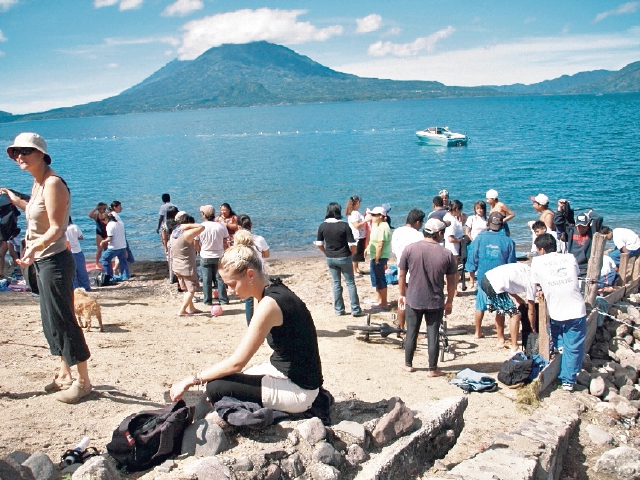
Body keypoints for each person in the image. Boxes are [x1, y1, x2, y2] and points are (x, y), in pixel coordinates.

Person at [169, 243, 323, 420]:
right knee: (225, 380)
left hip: (299, 391)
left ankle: (195, 424)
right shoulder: (270, 291)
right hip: (287, 372)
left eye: (232, 284)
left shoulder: (269, 304)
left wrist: (191, 379)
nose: (230, 291)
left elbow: (237, 362)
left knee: (215, 387)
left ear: (250, 274)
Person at [1, 132, 92, 403]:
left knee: (63, 319)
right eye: (16, 152)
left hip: (54, 260)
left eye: (26, 151)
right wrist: (16, 202)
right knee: (50, 320)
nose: (20, 156)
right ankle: (64, 374)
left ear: (42, 154)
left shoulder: (52, 183)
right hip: (40, 261)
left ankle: (83, 381)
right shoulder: (38, 183)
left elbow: (56, 228)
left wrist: (33, 247)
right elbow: (38, 212)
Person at [398, 218, 456, 375]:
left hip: (414, 298)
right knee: (433, 334)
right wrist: (449, 301)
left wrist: (402, 294)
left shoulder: (409, 249)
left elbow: (402, 275)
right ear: (438, 234)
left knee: (412, 332)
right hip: (435, 300)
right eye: (443, 232)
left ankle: (408, 364)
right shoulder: (447, 254)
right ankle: (432, 368)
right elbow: (451, 283)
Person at [531, 233, 586, 391]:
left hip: (556, 311)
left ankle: (559, 346)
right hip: (576, 309)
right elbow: (575, 274)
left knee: (556, 328)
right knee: (574, 347)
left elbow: (536, 283)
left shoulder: (537, 261)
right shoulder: (569, 257)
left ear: (541, 250)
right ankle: (568, 380)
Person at [465, 212, 517, 343]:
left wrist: (471, 269)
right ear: (502, 224)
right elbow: (511, 263)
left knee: (479, 306)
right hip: (499, 279)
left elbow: (473, 255)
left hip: (483, 277)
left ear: (488, 223)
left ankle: (477, 332)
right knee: (499, 308)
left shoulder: (479, 238)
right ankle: (500, 337)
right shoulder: (508, 241)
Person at [315, 203, 365, 317]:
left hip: (330, 257)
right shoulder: (343, 225)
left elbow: (319, 244)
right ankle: (355, 309)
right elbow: (352, 243)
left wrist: (325, 252)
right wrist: (352, 252)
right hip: (344, 256)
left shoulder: (323, 226)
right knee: (350, 283)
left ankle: (339, 309)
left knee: (336, 283)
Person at [481, 263, 537, 354]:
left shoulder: (526, 268)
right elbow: (531, 310)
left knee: (500, 311)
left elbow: (508, 283)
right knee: (516, 315)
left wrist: (517, 298)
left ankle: (500, 340)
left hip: (486, 278)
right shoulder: (532, 283)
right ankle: (514, 348)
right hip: (494, 284)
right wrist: (532, 328)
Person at [391, 209, 425, 329]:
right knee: (415, 303)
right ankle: (413, 330)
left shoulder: (397, 232)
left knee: (402, 300)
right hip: (415, 273)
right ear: (417, 222)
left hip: (401, 270)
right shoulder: (419, 235)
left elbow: (394, 251)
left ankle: (400, 327)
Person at [237, 214, 271, 323]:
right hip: (260, 271)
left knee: (248, 300)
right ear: (251, 224)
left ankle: (250, 323)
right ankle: (263, 322)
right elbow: (266, 254)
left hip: (244, 271)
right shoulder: (259, 239)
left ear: (238, 226)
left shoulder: (237, 241)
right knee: (262, 297)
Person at [170, 212, 205, 317]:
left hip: (176, 265)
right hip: (186, 266)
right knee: (191, 290)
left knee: (185, 288)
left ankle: (191, 308)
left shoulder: (174, 233)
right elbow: (201, 227)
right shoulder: (186, 234)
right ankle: (182, 310)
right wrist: (187, 226)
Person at [195, 205, 228, 306]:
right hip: (219, 255)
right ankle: (223, 300)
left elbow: (195, 243)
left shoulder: (200, 227)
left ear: (204, 215)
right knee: (220, 279)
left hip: (205, 255)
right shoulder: (221, 226)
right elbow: (225, 242)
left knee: (206, 280)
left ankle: (207, 301)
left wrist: (200, 251)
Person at [554, 210, 602, 275]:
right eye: (579, 226)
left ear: (588, 225)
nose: (581, 229)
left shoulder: (591, 231)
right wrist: (559, 210)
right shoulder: (571, 230)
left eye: (584, 227)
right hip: (572, 264)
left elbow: (599, 218)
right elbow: (558, 222)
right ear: (576, 225)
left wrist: (591, 213)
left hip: (585, 267)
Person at [368, 206, 391, 311]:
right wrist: (367, 249)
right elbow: (374, 240)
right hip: (375, 256)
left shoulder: (383, 226)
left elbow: (380, 244)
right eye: (372, 214)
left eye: (374, 215)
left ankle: (384, 303)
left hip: (380, 257)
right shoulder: (377, 225)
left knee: (380, 279)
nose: (372, 216)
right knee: (376, 279)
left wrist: (377, 259)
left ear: (381, 216)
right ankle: (378, 300)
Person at [99, 213, 129, 283]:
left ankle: (109, 276)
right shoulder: (120, 223)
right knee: (123, 261)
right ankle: (125, 276)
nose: (103, 222)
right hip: (122, 246)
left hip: (114, 247)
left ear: (106, 219)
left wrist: (103, 241)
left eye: (103, 221)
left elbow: (110, 238)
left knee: (105, 259)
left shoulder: (109, 226)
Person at [65, 217, 91, 291]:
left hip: (69, 251)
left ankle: (75, 288)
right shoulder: (75, 227)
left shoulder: (63, 230)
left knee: (73, 272)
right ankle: (86, 287)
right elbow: (81, 237)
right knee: (82, 270)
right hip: (78, 250)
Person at [443, 200, 464, 290]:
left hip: (449, 247)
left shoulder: (448, 216)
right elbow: (450, 238)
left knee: (452, 271)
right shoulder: (451, 220)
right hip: (453, 249)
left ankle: (452, 288)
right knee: (455, 271)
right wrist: (461, 240)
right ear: (456, 209)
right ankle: (453, 289)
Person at [346, 195, 367, 275]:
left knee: (358, 254)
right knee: (356, 254)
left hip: (358, 236)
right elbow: (357, 225)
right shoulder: (354, 213)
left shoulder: (353, 212)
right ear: (357, 203)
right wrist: (366, 220)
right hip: (357, 236)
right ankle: (354, 270)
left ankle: (356, 268)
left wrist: (364, 216)